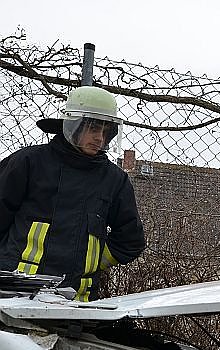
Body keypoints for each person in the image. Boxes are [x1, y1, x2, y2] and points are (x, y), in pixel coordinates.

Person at [0, 86, 145, 301]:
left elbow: (130, 241)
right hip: (15, 295)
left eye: (106, 131)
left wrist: (91, 263)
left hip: (77, 302)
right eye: (93, 129)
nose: (100, 138)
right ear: (72, 125)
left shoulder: (115, 180)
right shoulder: (29, 163)